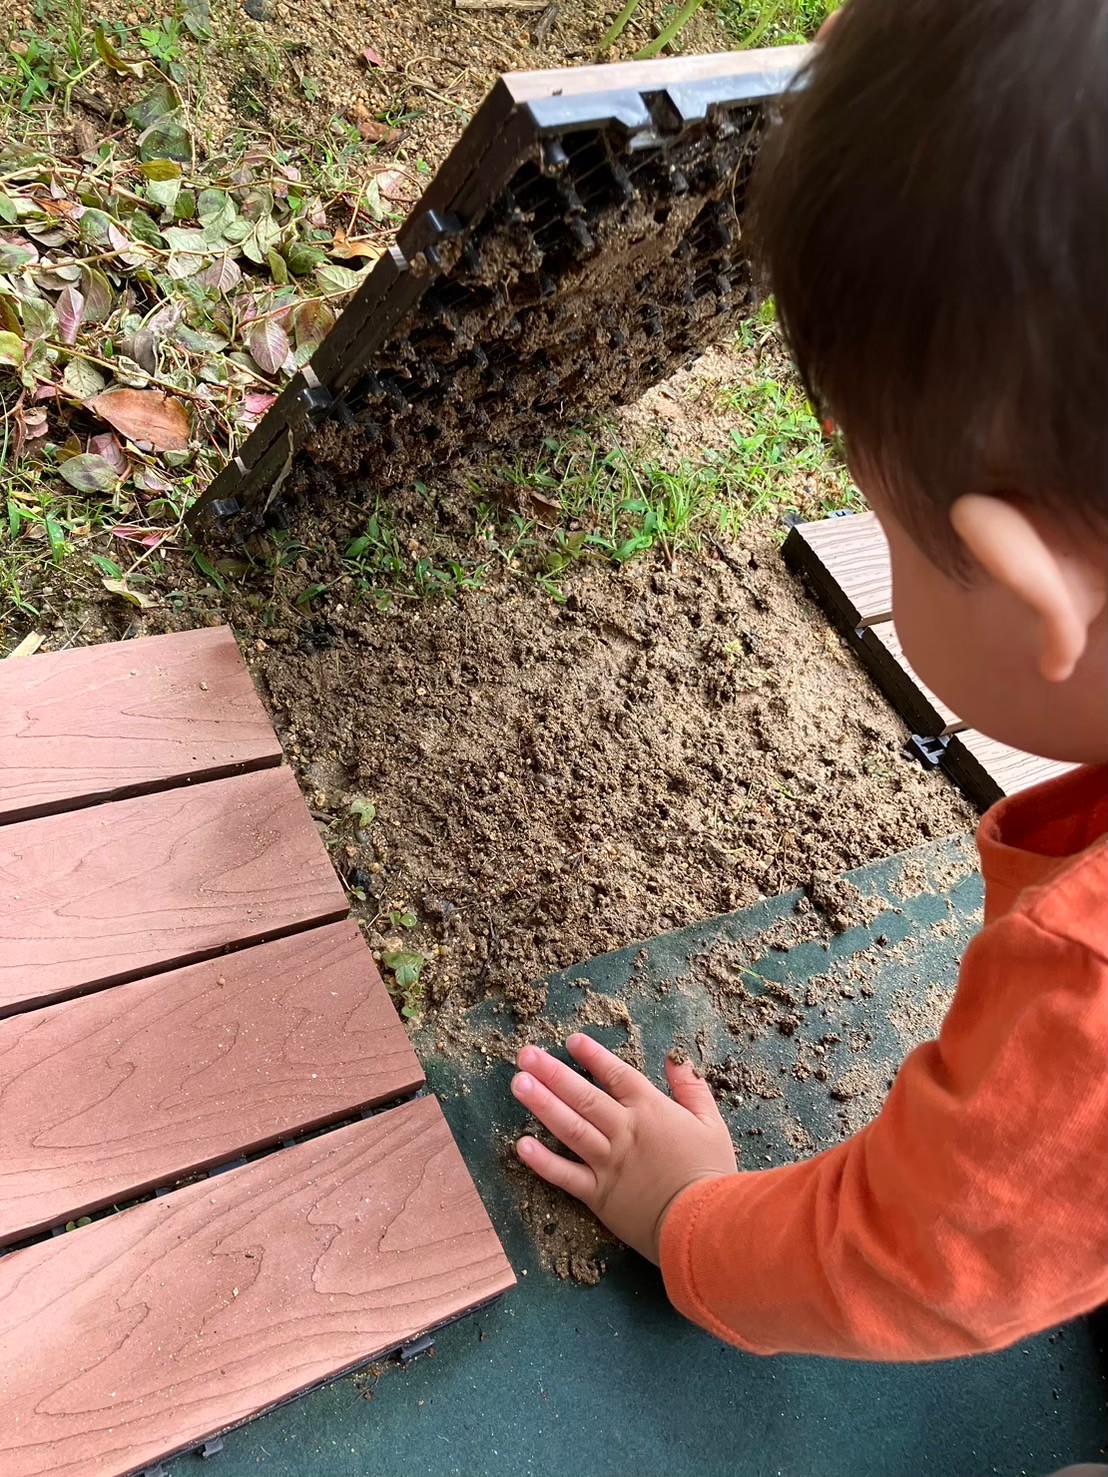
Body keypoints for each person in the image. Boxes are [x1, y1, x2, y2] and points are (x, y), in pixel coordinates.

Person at [509, 0, 1108, 1361]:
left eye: (888, 524)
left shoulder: (1088, 998)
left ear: (1022, 589)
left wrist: (691, 1213)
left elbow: (908, 1259)